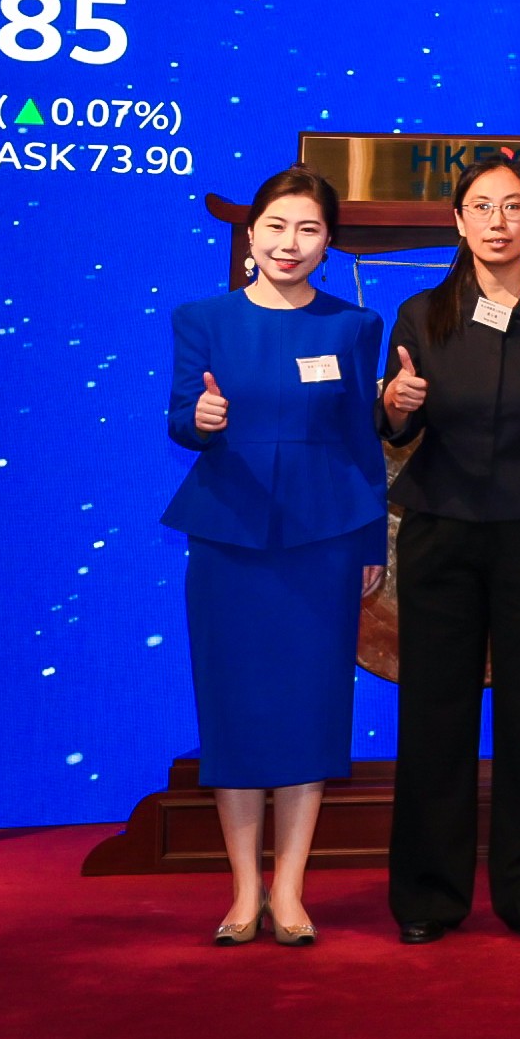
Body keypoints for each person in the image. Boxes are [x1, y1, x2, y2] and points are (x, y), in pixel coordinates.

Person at [376, 151, 520, 945]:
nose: (497, 221)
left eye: (512, 207)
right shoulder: (420, 312)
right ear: (458, 219)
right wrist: (395, 404)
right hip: (440, 531)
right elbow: (396, 422)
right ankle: (428, 897)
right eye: (481, 206)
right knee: (433, 715)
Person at [162, 166, 387, 948]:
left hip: (324, 541)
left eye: (308, 229)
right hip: (229, 536)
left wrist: (370, 541)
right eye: (277, 226)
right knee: (236, 708)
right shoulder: (202, 318)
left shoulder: (353, 325)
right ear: (251, 234)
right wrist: (199, 416)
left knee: (308, 707)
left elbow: (362, 443)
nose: (290, 243)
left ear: (327, 244)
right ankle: (242, 890)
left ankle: (289, 889)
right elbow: (179, 418)